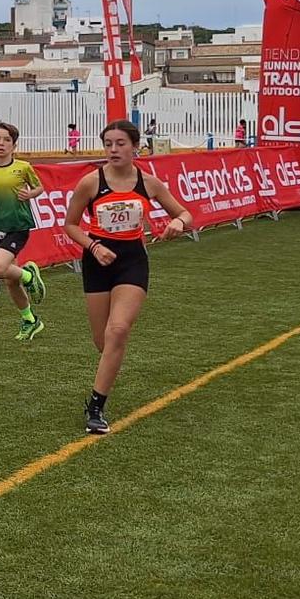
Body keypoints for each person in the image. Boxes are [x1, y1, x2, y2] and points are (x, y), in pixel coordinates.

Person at [61, 119, 192, 434]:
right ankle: (108, 368)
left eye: (120, 143)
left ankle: (95, 405)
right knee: (102, 341)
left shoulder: (149, 183)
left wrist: (179, 224)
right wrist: (93, 247)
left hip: (132, 261)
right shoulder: (91, 182)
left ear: (135, 147)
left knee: (118, 330)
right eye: (108, 144)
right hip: (98, 261)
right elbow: (71, 224)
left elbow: (184, 212)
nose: (113, 149)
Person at [0, 121, 47, 341]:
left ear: (14, 145)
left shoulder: (23, 167)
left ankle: (30, 276)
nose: (1, 143)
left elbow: (39, 187)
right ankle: (30, 320)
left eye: (6, 140)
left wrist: (30, 195)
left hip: (18, 226)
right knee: (9, 279)